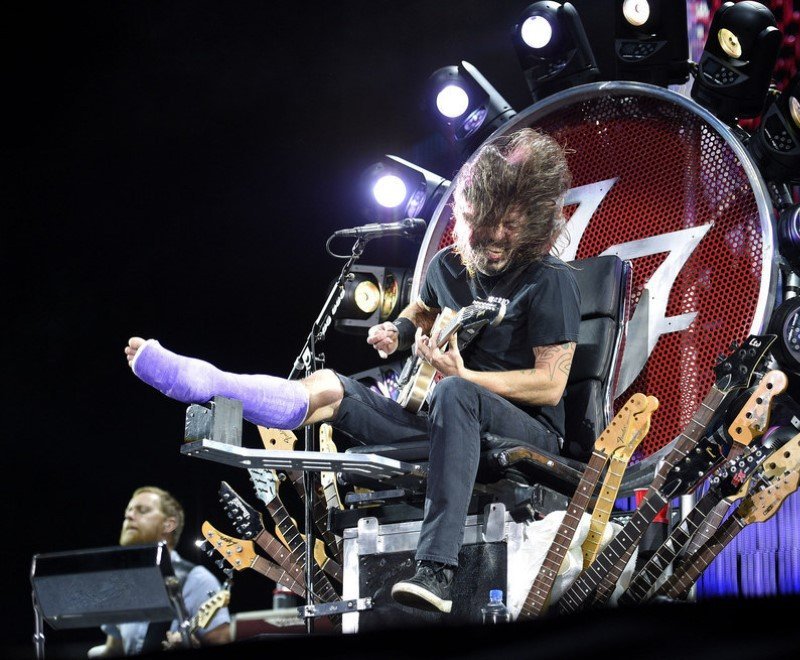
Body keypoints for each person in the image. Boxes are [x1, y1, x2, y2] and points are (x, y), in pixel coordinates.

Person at [123, 127, 581, 614]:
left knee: (453, 395)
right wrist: (398, 333)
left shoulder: (549, 281)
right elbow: (421, 312)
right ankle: (215, 385)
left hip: (527, 433)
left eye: (511, 225)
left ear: (533, 219)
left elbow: (550, 385)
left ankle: (438, 572)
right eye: (486, 224)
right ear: (466, 218)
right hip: (451, 424)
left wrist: (467, 379)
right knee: (332, 388)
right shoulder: (448, 266)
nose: (497, 237)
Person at [90, 486, 232, 655]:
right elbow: (115, 649)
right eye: (128, 511)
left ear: (169, 525)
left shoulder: (198, 580)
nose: (129, 516)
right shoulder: (120, 585)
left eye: (142, 511)